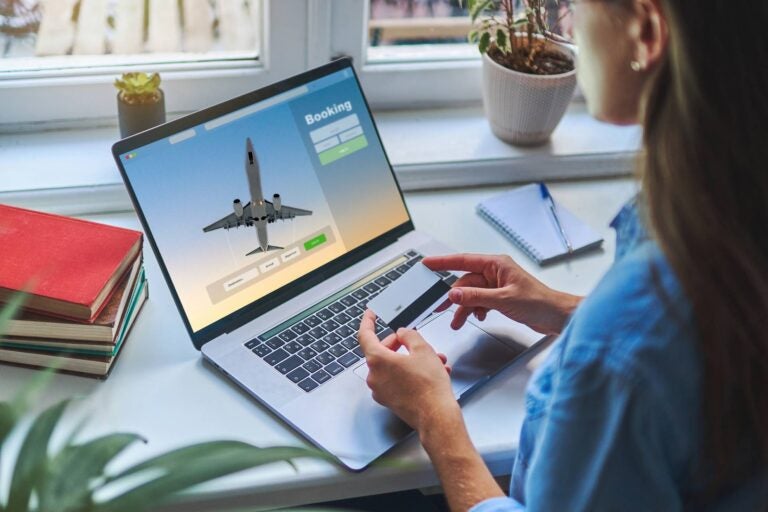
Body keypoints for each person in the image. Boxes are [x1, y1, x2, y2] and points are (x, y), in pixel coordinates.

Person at [357, 0, 768, 509]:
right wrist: (564, 308)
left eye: (575, 6)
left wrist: (433, 416)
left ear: (646, 30)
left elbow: (638, 349)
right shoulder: (729, 215)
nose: (567, 27)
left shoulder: (623, 343)